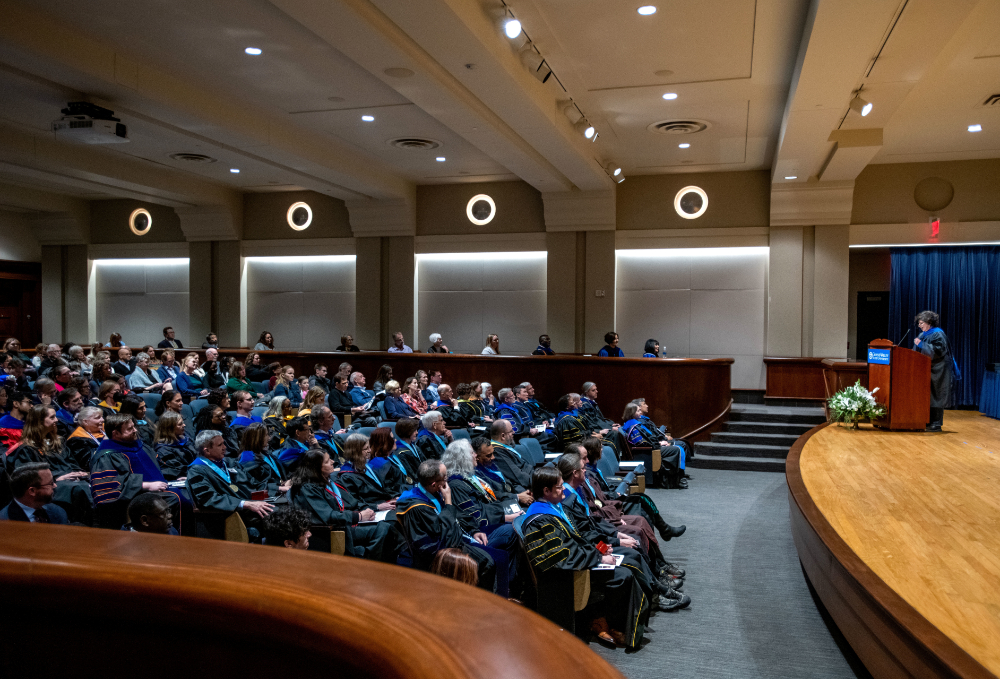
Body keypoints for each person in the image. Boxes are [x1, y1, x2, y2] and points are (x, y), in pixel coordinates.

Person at [521, 466, 650, 648]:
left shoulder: (556, 507)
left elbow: (580, 537)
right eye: (559, 487)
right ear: (546, 491)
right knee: (623, 576)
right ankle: (617, 628)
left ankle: (612, 623)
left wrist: (602, 549)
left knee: (629, 561)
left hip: (580, 563)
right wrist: (598, 558)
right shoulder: (540, 520)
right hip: (565, 578)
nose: (564, 489)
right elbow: (564, 556)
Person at [396, 459, 497, 592]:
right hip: (438, 552)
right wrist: (448, 502)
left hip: (453, 539)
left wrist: (473, 530)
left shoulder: (433, 492)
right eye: (444, 477)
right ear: (433, 484)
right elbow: (440, 534)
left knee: (495, 553)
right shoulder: (418, 507)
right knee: (486, 562)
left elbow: (456, 515)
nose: (447, 479)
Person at [290, 448, 395, 560]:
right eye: (327, 461)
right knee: (383, 529)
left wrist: (373, 508)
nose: (332, 462)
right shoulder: (308, 489)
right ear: (316, 468)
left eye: (330, 459)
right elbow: (328, 516)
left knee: (392, 521)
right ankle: (369, 567)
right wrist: (358, 516)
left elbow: (351, 502)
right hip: (335, 531)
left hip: (346, 523)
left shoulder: (328, 482)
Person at [90, 412, 187, 531]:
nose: (135, 430)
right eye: (130, 429)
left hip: (158, 488)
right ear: (115, 433)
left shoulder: (140, 445)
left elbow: (158, 467)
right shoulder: (106, 456)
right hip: (133, 497)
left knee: (186, 491)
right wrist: (145, 485)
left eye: (134, 426)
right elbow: (109, 490)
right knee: (174, 499)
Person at [6, 404, 92, 523]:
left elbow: (71, 462)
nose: (56, 420)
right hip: (49, 485)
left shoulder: (58, 442)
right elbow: (27, 477)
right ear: (39, 421)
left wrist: (77, 473)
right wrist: (57, 478)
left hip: (70, 480)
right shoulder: (26, 448)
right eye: (52, 417)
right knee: (78, 488)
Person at [186, 429, 274, 527]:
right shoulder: (197, 470)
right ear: (207, 451)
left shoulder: (228, 463)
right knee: (280, 516)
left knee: (286, 503)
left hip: (253, 502)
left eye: (224, 443)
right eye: (220, 445)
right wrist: (245, 504)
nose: (225, 447)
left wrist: (277, 489)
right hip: (234, 514)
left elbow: (253, 483)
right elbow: (209, 498)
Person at [622, 402, 686, 488]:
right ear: (632, 413)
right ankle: (676, 480)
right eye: (638, 411)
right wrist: (659, 443)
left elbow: (648, 438)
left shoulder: (633, 423)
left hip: (652, 447)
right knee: (676, 449)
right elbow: (642, 443)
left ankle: (676, 479)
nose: (640, 412)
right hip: (648, 451)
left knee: (676, 447)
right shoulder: (633, 426)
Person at [914, 310, 954, 431]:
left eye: (921, 323)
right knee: (928, 395)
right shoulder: (923, 335)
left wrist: (921, 345)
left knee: (937, 394)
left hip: (939, 369)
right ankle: (927, 420)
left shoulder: (938, 334)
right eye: (919, 323)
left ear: (929, 322)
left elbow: (938, 351)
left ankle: (936, 423)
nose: (919, 326)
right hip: (927, 368)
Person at [338, 433, 398, 509]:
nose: (370, 450)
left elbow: (380, 490)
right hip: (370, 512)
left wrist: (394, 497)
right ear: (356, 451)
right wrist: (377, 507)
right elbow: (353, 503)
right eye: (366, 449)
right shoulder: (347, 477)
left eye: (369, 447)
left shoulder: (368, 466)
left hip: (384, 504)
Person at [0, 463, 69, 524]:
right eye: (50, 483)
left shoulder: (58, 512)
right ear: (32, 491)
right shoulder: (5, 522)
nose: (55, 486)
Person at [238, 421, 288, 495]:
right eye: (266, 435)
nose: (269, 438)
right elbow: (255, 485)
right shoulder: (248, 459)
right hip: (266, 498)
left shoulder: (264, 454)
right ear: (257, 438)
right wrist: (279, 488)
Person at [153, 411, 197, 481]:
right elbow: (178, 470)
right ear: (169, 428)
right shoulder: (163, 450)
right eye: (180, 424)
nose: (184, 425)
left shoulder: (185, 438)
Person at [65, 406, 105, 470]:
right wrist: (105, 444)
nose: (102, 420)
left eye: (102, 417)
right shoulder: (77, 440)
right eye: (98, 418)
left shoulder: (104, 429)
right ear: (85, 422)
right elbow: (87, 463)